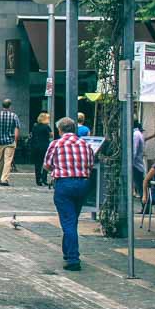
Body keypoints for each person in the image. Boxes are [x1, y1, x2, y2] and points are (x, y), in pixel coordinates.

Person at [43, 117, 94, 271]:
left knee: (68, 222)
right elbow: (90, 164)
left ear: (60, 130)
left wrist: (56, 170)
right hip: (82, 183)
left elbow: (46, 165)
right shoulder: (85, 144)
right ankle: (67, 253)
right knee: (72, 220)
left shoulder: (56, 144)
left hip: (64, 184)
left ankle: (73, 258)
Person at [0, 98, 20, 186]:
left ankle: (1, 177)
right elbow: (16, 129)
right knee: (8, 161)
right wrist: (15, 140)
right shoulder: (14, 116)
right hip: (10, 141)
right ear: (10, 106)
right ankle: (4, 179)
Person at [30, 112, 53, 186]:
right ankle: (44, 178)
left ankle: (38, 180)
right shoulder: (46, 127)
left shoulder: (35, 126)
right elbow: (51, 135)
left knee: (37, 164)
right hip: (44, 146)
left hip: (36, 146)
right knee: (45, 162)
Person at [131, 122, 147, 197]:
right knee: (140, 187)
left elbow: (134, 150)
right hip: (139, 164)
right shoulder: (139, 134)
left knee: (140, 187)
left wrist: (130, 162)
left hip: (136, 165)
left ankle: (145, 207)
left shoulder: (136, 134)